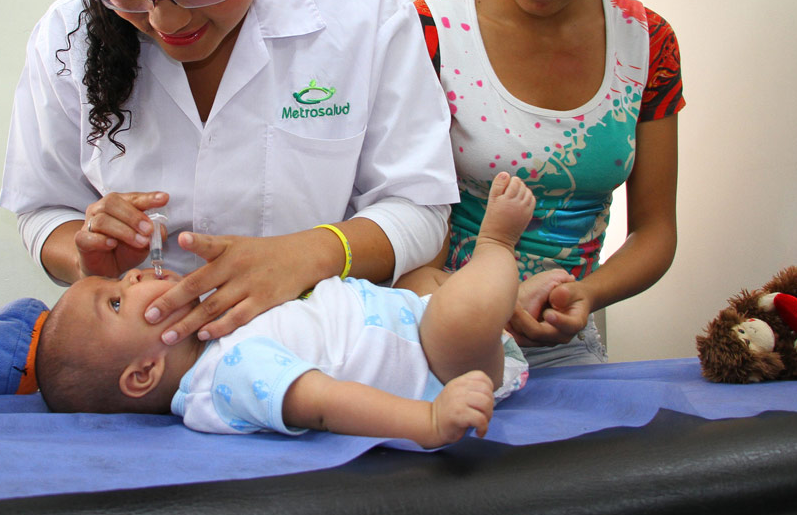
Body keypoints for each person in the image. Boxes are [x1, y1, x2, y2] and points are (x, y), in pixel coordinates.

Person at [0, 0, 457, 348]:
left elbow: (421, 207)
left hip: (325, 359)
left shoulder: (365, 7)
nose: (167, 19)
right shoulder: (66, 33)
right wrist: (84, 252)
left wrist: (306, 256)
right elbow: (42, 207)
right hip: (153, 371)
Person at [411, 0, 684, 367]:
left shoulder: (648, 43)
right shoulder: (432, 34)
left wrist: (587, 293)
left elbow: (656, 230)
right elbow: (405, 224)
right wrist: (477, 307)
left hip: (564, 343)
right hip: (437, 334)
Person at [35, 173, 533, 448]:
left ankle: (509, 305)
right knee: (462, 315)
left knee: (423, 281)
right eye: (117, 300)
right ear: (144, 373)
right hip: (442, 365)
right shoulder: (230, 375)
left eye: (120, 277)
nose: (136, 274)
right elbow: (325, 402)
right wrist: (426, 421)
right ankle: (496, 245)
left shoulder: (213, 328)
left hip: (409, 313)